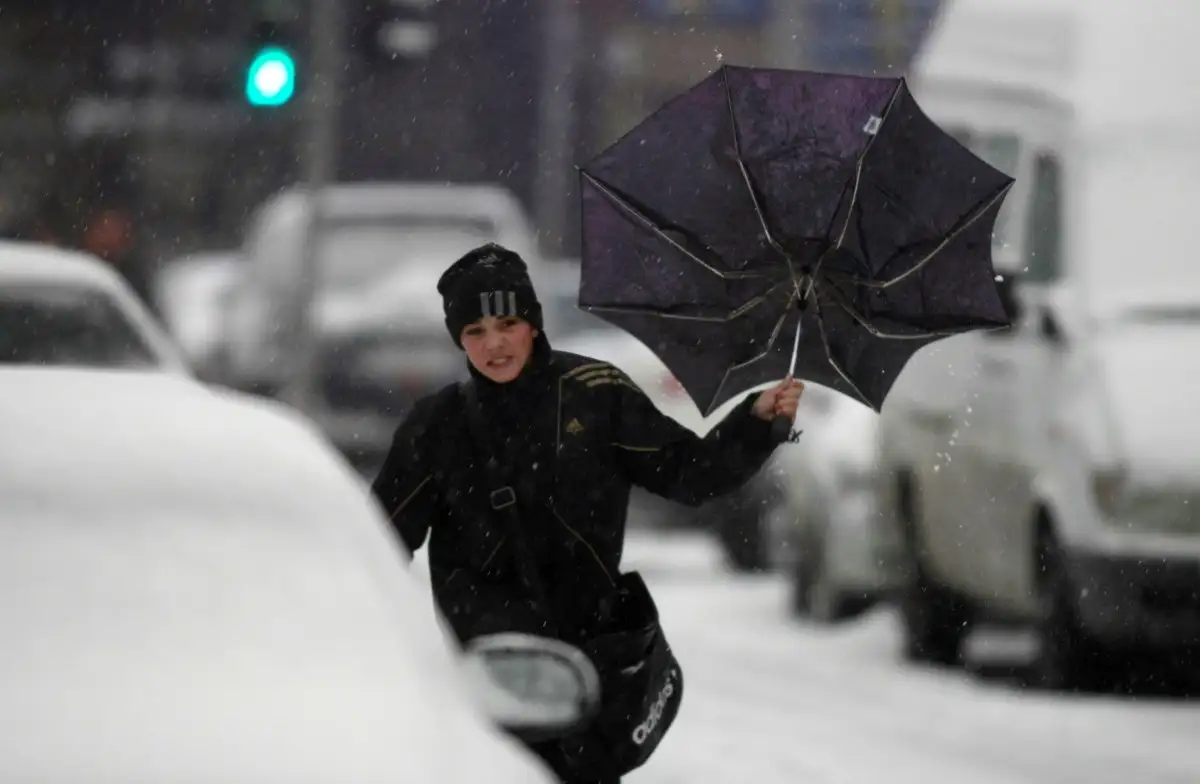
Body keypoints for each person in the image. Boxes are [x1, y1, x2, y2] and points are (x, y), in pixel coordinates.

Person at [371, 243, 803, 783]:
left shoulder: (596, 395)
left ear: (533, 322)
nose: (495, 343)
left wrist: (756, 423)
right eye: (475, 331)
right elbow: (375, 545)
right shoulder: (436, 427)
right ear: (459, 338)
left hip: (589, 675)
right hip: (491, 682)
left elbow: (689, 473)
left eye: (507, 322)